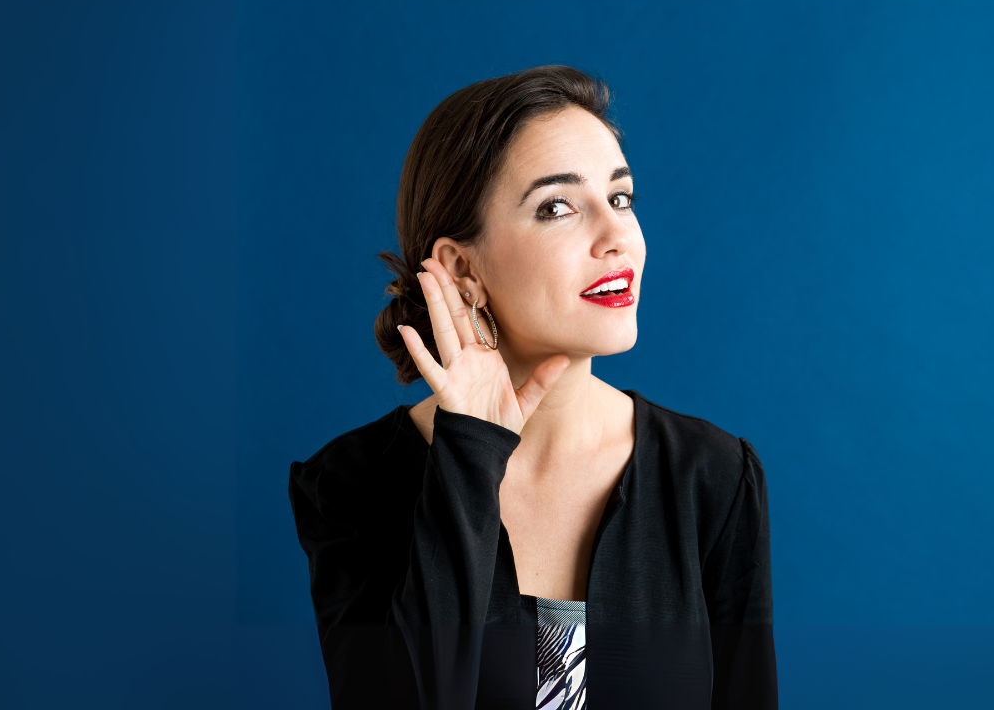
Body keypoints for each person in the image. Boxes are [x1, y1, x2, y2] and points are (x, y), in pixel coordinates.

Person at [287, 65, 778, 709]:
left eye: (621, 198)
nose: (618, 238)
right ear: (463, 268)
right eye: (557, 207)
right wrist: (471, 452)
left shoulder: (712, 477)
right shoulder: (351, 485)